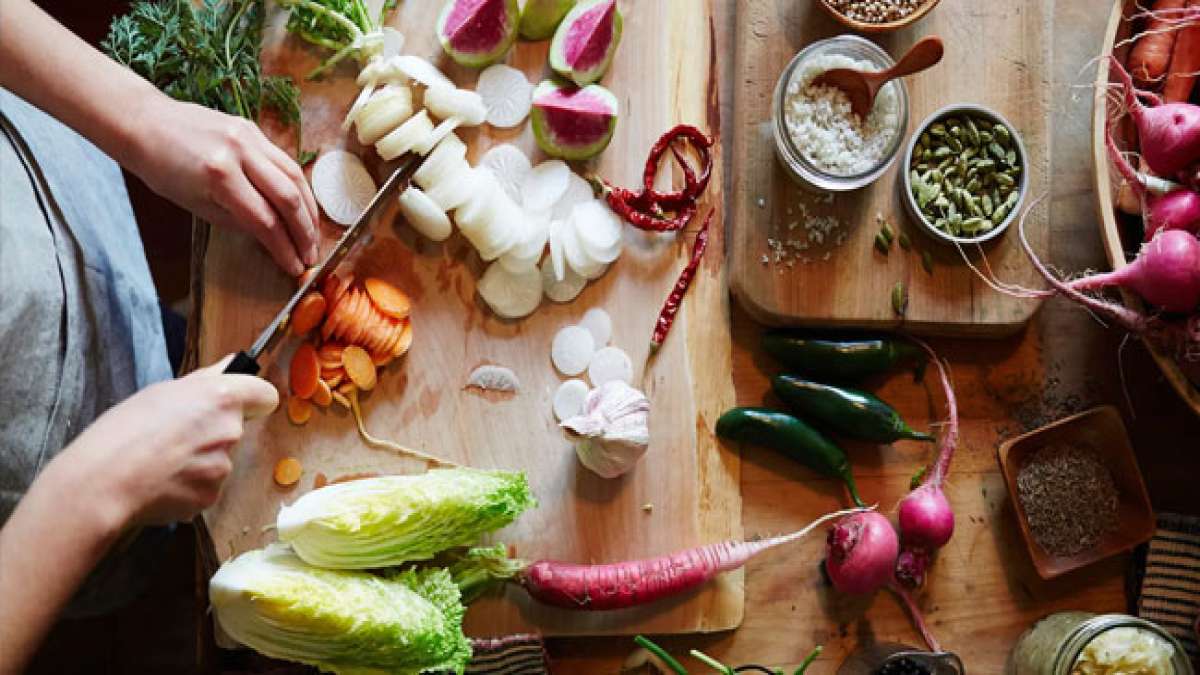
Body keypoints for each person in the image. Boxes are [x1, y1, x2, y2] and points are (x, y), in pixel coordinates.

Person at [0, 1, 320, 670]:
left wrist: (141, 116)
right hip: (39, 505)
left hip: (51, 195)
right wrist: (95, 488)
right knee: (162, 590)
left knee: (171, 339)